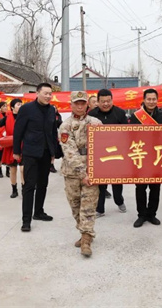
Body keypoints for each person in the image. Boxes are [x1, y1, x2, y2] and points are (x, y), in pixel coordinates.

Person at [59, 91, 102, 257]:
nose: (80, 106)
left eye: (83, 103)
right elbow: (69, 151)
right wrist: (82, 172)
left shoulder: (96, 123)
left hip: (93, 171)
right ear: (71, 105)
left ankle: (86, 239)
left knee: (89, 206)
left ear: (87, 105)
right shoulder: (65, 126)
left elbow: (105, 145)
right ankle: (84, 231)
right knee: (75, 205)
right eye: (77, 103)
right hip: (72, 172)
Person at [13, 83, 58, 232]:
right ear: (37, 93)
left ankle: (38, 212)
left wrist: (53, 153)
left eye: (50, 94)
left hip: (46, 153)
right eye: (45, 93)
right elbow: (18, 130)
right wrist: (16, 150)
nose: (48, 96)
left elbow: (53, 132)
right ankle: (26, 220)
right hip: (30, 153)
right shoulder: (26, 109)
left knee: (43, 184)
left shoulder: (52, 110)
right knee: (29, 186)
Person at [129, 88, 162, 228]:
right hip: (141, 156)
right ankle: (141, 215)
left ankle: (152, 214)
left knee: (155, 188)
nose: (151, 102)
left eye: (153, 99)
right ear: (144, 100)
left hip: (157, 156)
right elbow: (131, 136)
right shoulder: (136, 116)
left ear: (157, 100)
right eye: (149, 99)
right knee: (140, 188)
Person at [88, 89, 128, 217]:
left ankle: (119, 201)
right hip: (99, 154)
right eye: (102, 101)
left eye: (108, 101)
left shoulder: (120, 113)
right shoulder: (92, 114)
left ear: (112, 100)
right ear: (98, 102)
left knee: (117, 183)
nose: (106, 104)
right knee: (100, 184)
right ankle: (100, 209)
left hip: (117, 153)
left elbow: (127, 133)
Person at [0, 99, 24, 198]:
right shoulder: (7, 118)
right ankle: (14, 189)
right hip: (10, 146)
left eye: (21, 104)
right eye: (18, 104)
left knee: (22, 169)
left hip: (23, 145)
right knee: (13, 169)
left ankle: (24, 189)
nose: (20, 106)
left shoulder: (25, 117)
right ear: (12, 107)